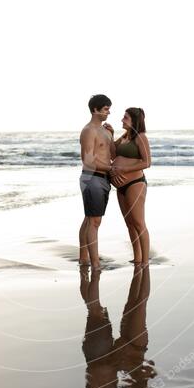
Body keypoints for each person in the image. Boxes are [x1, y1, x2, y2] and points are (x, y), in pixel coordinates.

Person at [109, 108, 151, 266]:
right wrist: (112, 135)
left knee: (139, 223)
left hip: (135, 184)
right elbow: (112, 154)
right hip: (121, 187)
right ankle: (137, 258)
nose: (122, 119)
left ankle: (145, 261)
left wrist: (123, 170)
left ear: (134, 120)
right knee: (129, 224)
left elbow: (147, 162)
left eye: (125, 117)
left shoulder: (141, 137)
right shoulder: (125, 136)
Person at [78, 94, 115, 270]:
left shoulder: (105, 131)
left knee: (89, 219)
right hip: (91, 177)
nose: (109, 112)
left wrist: (113, 135)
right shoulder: (88, 131)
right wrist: (112, 169)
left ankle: (83, 257)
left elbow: (111, 155)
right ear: (95, 110)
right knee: (94, 222)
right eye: (106, 109)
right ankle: (95, 264)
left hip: (103, 178)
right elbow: (88, 161)